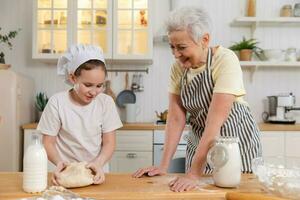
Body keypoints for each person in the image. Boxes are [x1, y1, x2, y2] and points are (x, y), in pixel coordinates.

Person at [133, 7, 262, 192]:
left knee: (237, 192)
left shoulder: (224, 60)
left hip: (234, 143)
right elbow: (176, 118)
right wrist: (163, 166)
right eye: (172, 46)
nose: (176, 54)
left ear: (205, 40)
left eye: (182, 47)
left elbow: (214, 122)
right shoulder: (178, 68)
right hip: (201, 140)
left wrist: (194, 173)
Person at [37, 44, 122, 186]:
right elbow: (48, 142)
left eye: (99, 85)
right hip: (65, 175)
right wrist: (60, 163)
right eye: (88, 85)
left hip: (96, 173)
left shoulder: (106, 103)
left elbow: (109, 143)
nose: (94, 92)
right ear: (72, 78)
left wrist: (98, 163)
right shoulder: (57, 102)